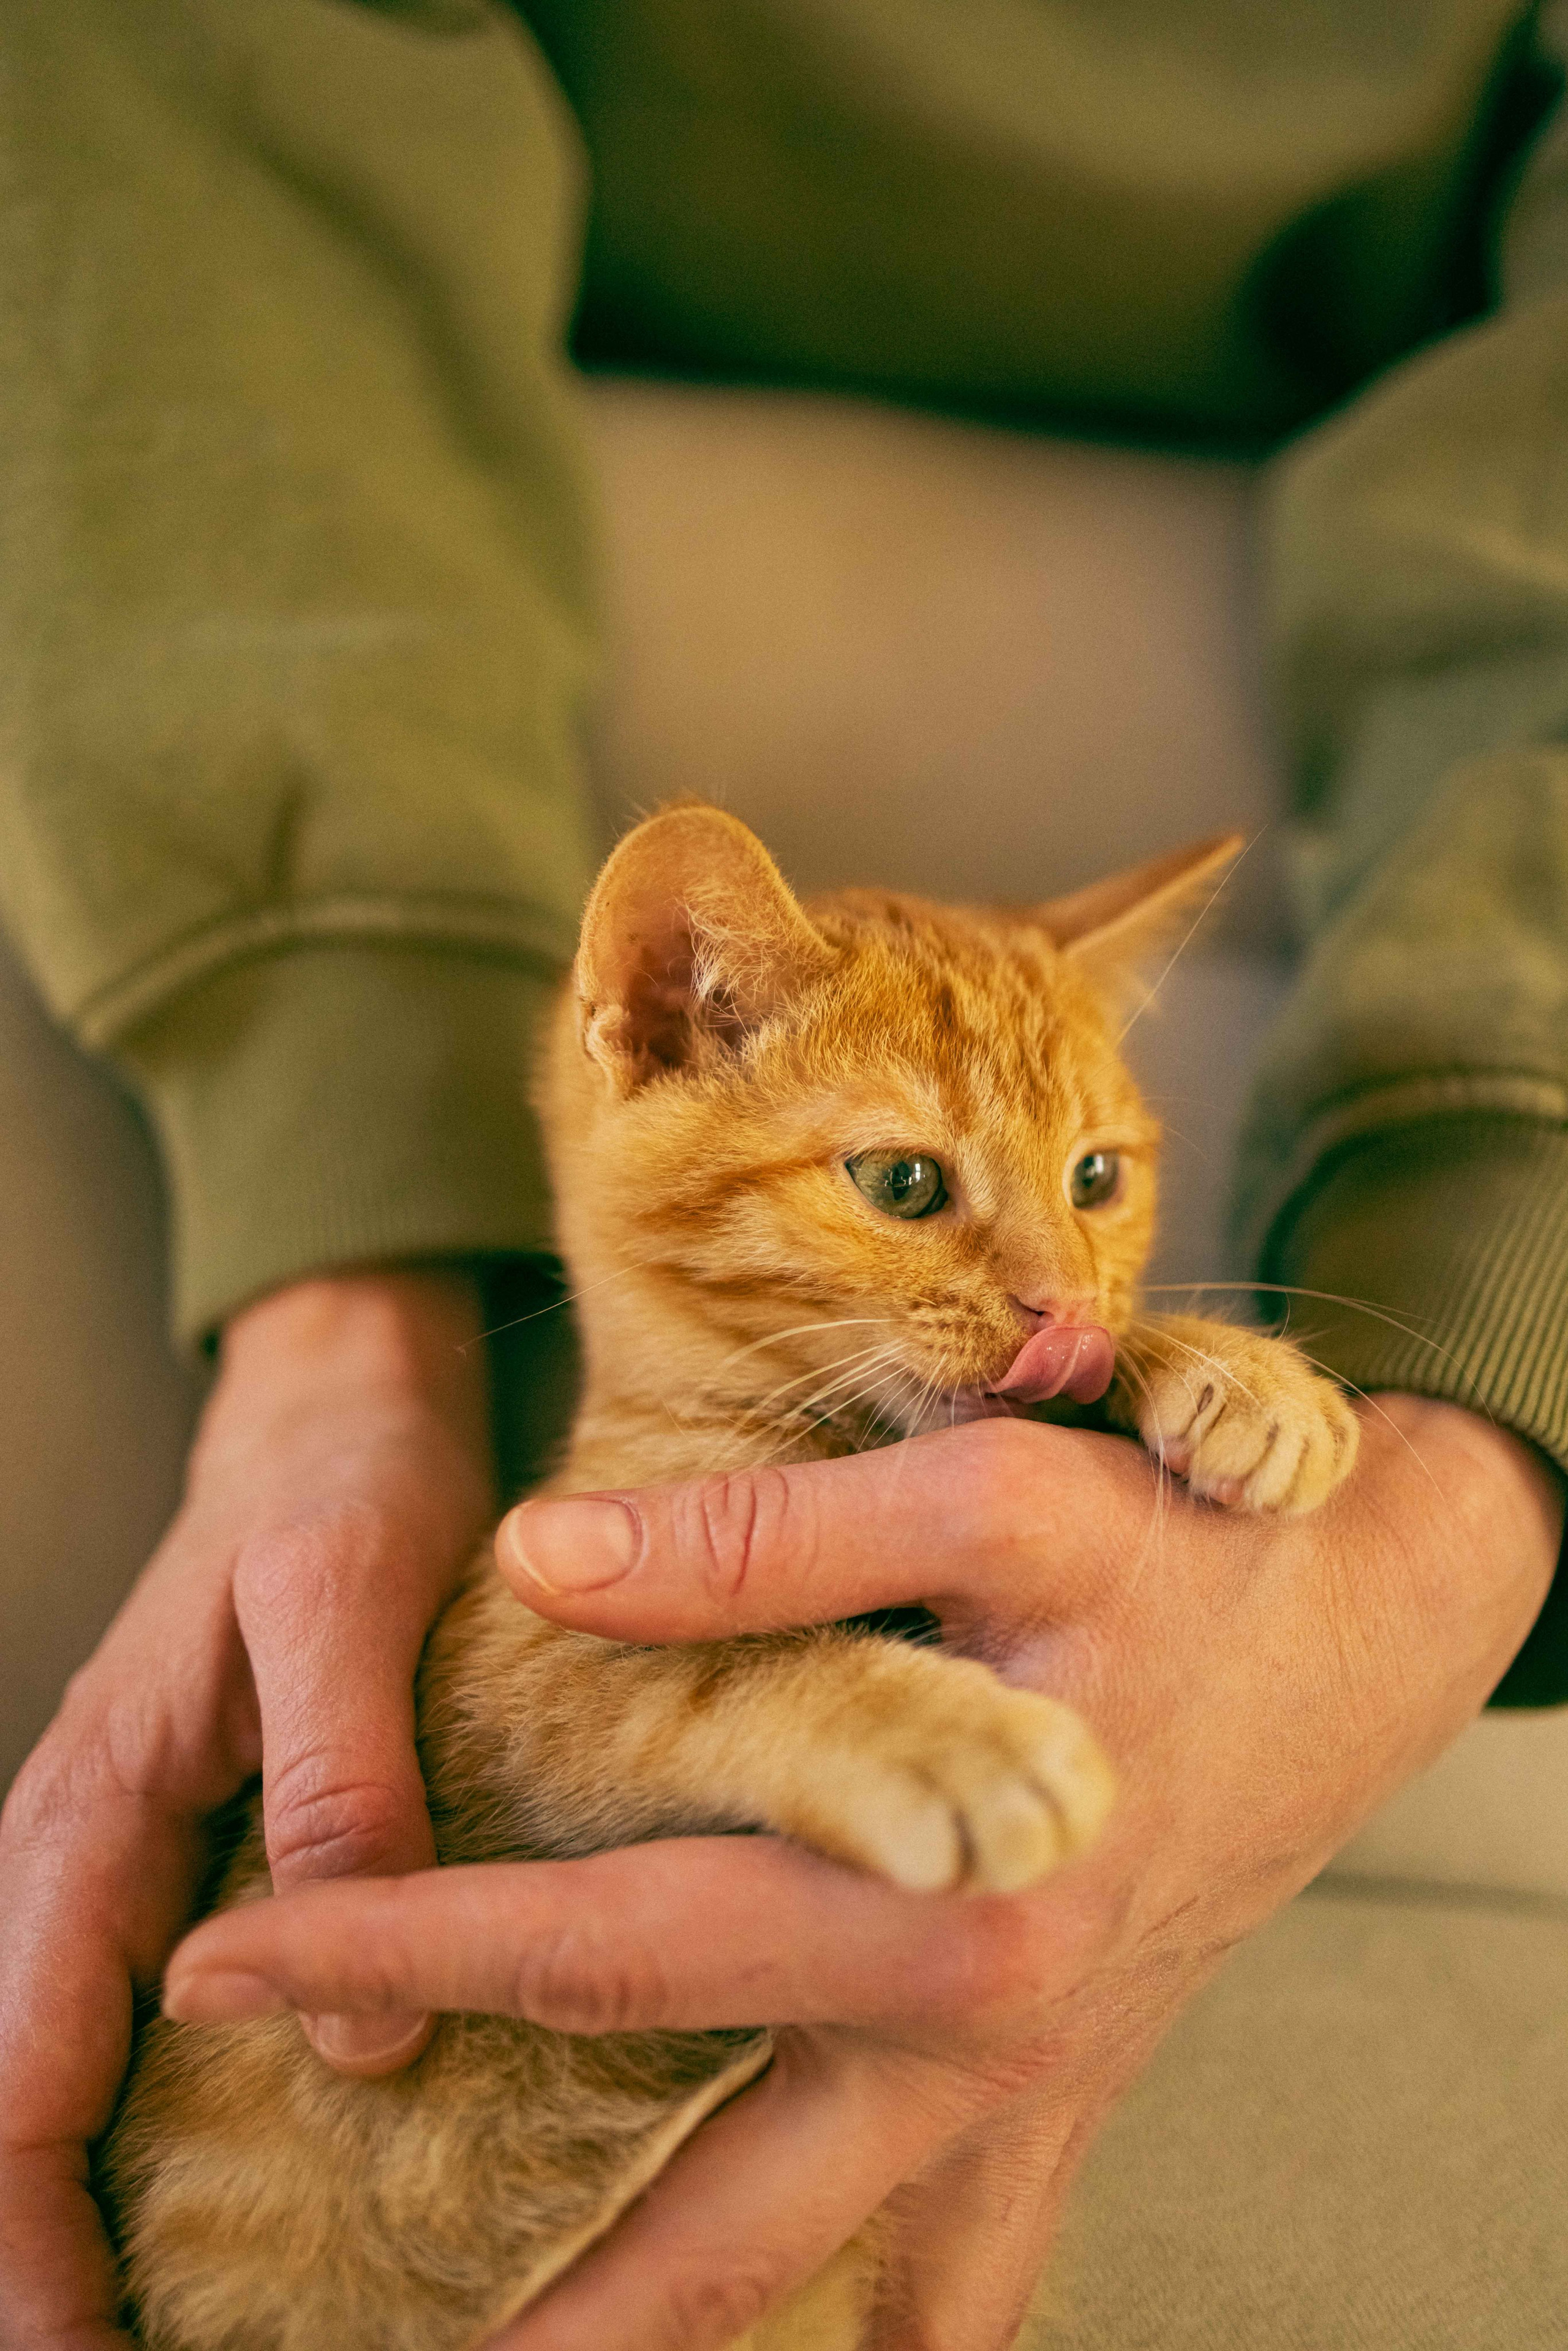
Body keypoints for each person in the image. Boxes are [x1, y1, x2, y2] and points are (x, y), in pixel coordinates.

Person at [2, 4, 1567, 2345]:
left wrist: (1364, 1422)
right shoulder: (682, 1310)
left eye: (1105, 1187)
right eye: (923, 1193)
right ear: (661, 1017)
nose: (1047, 1280)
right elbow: (542, 1708)